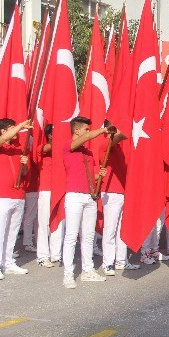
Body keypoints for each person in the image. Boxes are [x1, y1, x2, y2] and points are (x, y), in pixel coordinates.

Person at [62, 116, 110, 289]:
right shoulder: (69, 146)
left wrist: (99, 176)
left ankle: (87, 270)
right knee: (71, 236)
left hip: (89, 196)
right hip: (74, 196)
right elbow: (87, 138)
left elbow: (88, 176)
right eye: (86, 129)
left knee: (88, 236)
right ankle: (68, 274)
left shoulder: (88, 153)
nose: (88, 132)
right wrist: (103, 130)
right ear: (77, 130)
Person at [0, 118, 32, 280]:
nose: (17, 133)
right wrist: (20, 126)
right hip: (0, 196)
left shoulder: (19, 149)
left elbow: (25, 173)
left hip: (18, 194)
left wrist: (25, 165)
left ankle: (8, 262)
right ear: (4, 131)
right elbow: (2, 140)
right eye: (12, 129)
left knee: (12, 231)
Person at [98, 120, 140, 276]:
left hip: (122, 192)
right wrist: (133, 123)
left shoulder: (120, 150)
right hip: (110, 192)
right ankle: (107, 263)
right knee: (110, 229)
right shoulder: (105, 144)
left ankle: (121, 261)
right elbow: (119, 136)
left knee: (122, 229)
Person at [35, 124, 63, 268]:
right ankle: (42, 256)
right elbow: (47, 148)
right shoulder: (43, 148)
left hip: (60, 187)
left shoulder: (63, 149)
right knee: (44, 222)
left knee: (58, 221)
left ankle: (56, 254)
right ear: (50, 135)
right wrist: (58, 141)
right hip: (46, 189)